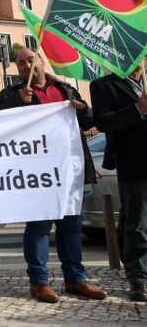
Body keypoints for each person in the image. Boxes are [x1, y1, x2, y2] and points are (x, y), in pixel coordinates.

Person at [0, 48, 108, 303]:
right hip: (38, 173)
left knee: (71, 228)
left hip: (70, 169)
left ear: (42, 61)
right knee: (39, 228)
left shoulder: (65, 89)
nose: (25, 65)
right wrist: (18, 104)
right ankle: (39, 282)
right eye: (20, 63)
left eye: (29, 59)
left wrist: (82, 109)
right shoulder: (11, 93)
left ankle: (75, 280)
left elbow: (89, 122)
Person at [91, 65, 147, 302]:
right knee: (138, 223)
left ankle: (131, 261)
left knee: (129, 220)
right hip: (135, 163)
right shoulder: (103, 85)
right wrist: (137, 108)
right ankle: (139, 279)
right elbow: (103, 122)